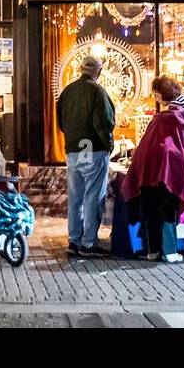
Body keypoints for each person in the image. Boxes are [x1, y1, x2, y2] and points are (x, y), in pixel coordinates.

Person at [119, 83, 184, 263]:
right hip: (174, 172)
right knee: (169, 211)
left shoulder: (158, 120)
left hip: (150, 173)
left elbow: (144, 147)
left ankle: (153, 251)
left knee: (152, 211)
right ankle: (170, 252)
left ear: (160, 95)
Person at [56, 55, 115, 257]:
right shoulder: (97, 91)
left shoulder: (68, 91)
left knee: (75, 196)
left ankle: (74, 240)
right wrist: (108, 144)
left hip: (75, 148)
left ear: (81, 69)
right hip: (93, 148)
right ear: (98, 71)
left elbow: (61, 122)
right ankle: (88, 243)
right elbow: (105, 123)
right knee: (92, 195)